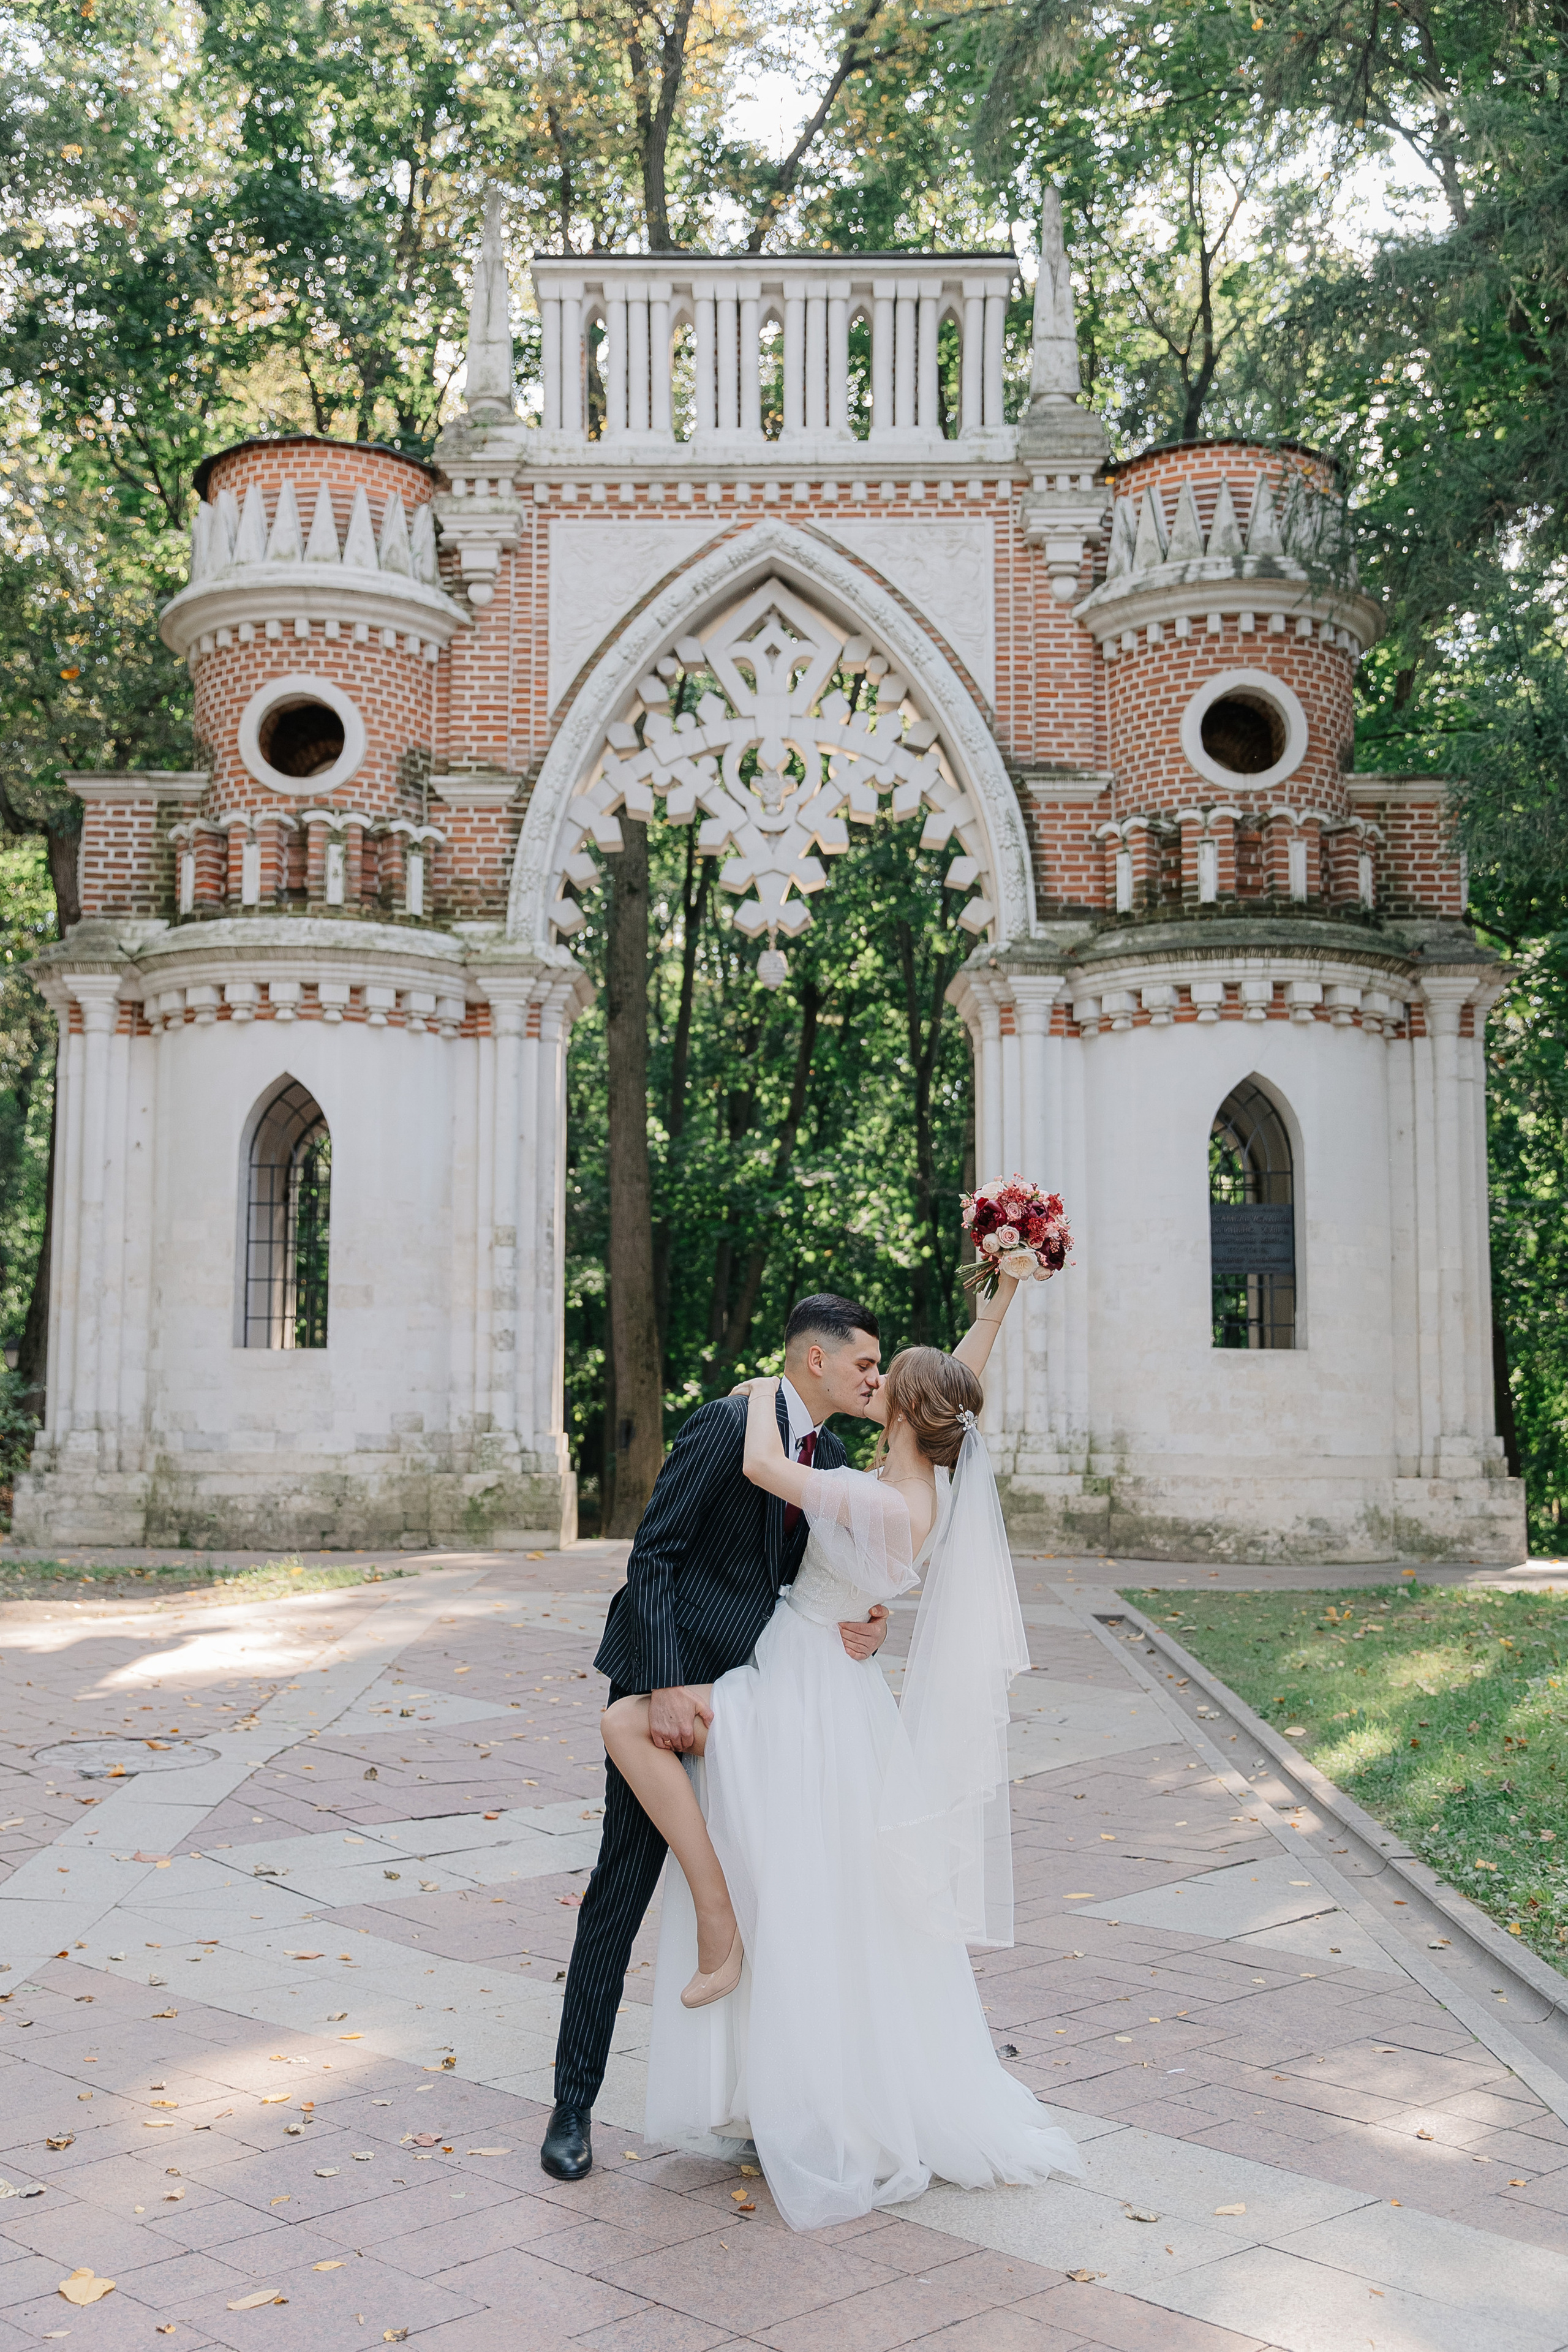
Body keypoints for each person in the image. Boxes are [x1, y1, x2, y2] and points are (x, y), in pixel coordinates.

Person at [600, 1271, 1084, 2231]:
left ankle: (717, 1918)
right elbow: (958, 1377)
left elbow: (769, 1474)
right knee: (824, 1902)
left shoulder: (886, 1501)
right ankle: (779, 2061)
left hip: (804, 1691)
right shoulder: (925, 1481)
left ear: (907, 1409)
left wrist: (750, 1399)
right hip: (832, 1684)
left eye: (886, 1377)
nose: (875, 1382)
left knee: (632, 1732)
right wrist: (1000, 1301)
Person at [541, 1293, 885, 2184]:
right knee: (621, 1887)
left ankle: (753, 2101)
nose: (871, 1379)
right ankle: (571, 2109)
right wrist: (657, 1684)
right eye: (862, 1365)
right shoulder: (727, 1421)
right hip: (669, 1681)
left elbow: (821, 1579)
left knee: (773, 1884)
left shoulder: (835, 1454)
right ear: (816, 1360)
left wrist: (866, 1623)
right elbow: (652, 1554)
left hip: (758, 1702)